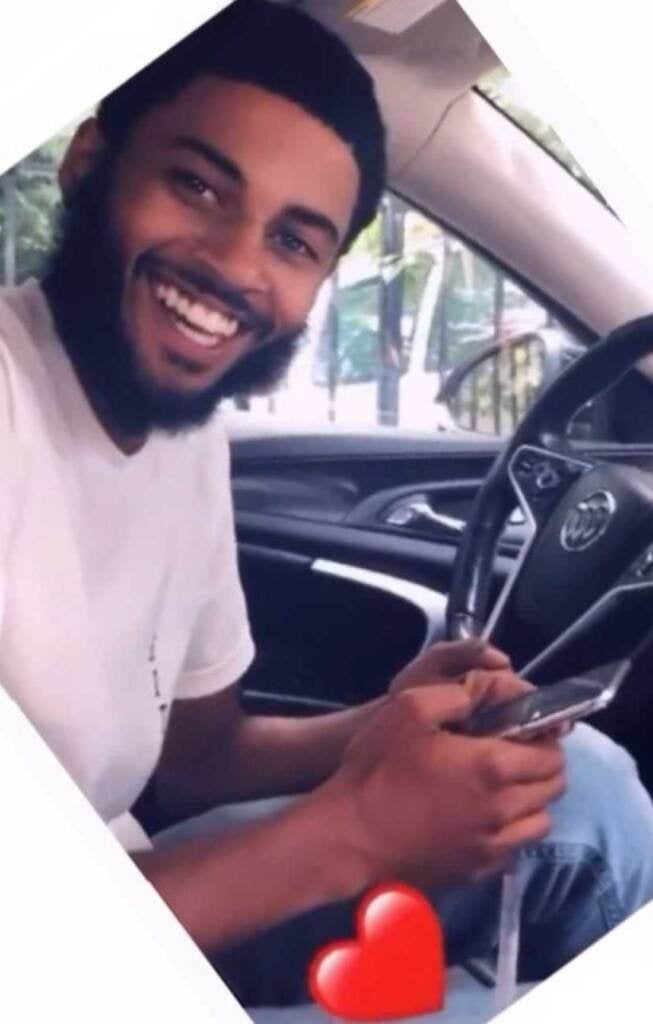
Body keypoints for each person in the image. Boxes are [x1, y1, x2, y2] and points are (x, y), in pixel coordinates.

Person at [0, 2, 652, 1021]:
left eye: (294, 241)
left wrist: (382, 725)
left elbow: (200, 755)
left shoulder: (182, 432)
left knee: (587, 781)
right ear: (90, 160)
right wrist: (358, 825)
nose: (232, 262)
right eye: (197, 184)